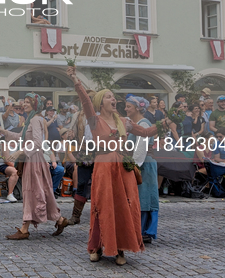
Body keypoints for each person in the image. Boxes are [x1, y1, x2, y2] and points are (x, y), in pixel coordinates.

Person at [68, 65, 164, 265]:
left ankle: (121, 249)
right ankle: (96, 247)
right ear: (100, 102)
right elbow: (85, 101)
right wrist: (76, 80)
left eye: (114, 96)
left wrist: (166, 123)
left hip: (123, 169)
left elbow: (146, 133)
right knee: (102, 206)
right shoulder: (94, 121)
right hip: (103, 167)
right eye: (108, 96)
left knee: (123, 207)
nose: (113, 99)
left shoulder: (124, 121)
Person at [0, 93, 69, 240]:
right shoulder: (31, 119)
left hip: (34, 161)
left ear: (35, 104)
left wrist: (20, 152)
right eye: (24, 102)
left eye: (28, 102)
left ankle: (25, 229)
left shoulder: (36, 119)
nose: (24, 104)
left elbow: (37, 143)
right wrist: (6, 133)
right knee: (42, 192)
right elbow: (22, 137)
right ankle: (60, 220)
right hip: (32, 160)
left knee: (32, 192)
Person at [125, 95, 159, 245]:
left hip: (144, 163)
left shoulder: (143, 124)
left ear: (138, 108)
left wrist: (134, 165)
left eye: (128, 107)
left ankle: (145, 230)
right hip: (141, 163)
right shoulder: (136, 123)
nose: (126, 109)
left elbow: (141, 148)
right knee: (140, 194)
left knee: (145, 196)